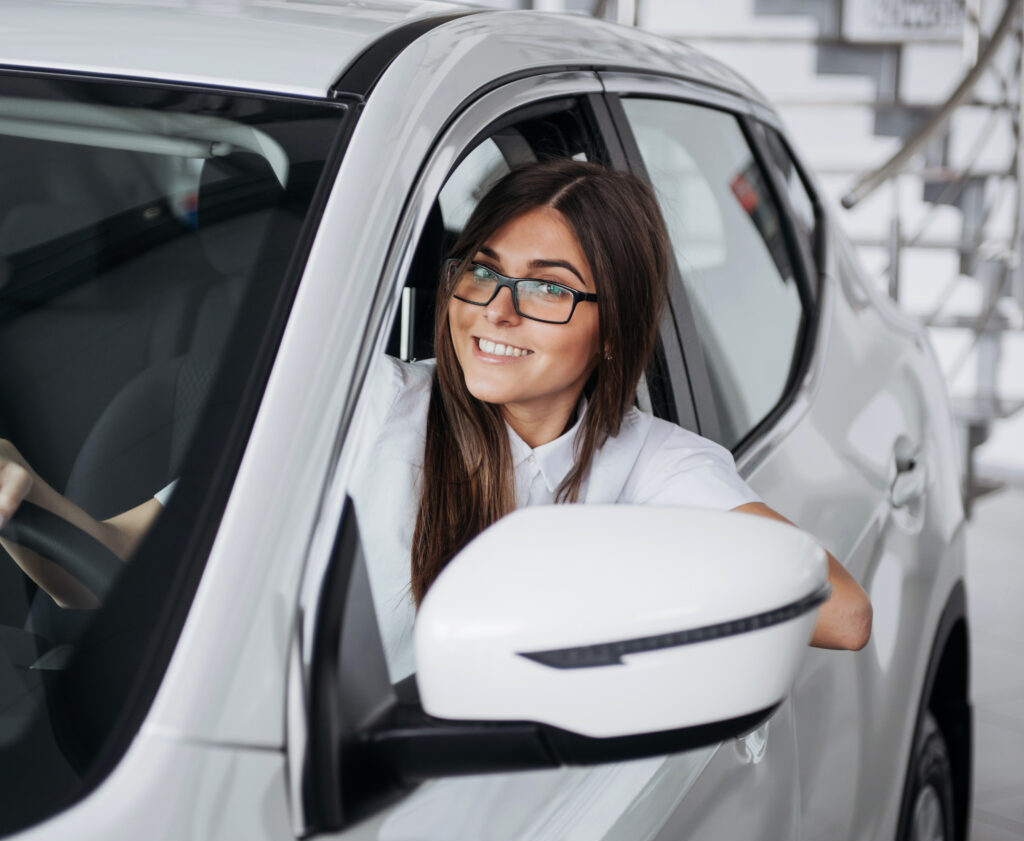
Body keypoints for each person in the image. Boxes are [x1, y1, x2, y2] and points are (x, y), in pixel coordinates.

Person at [0, 158, 871, 673]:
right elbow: (113, 566)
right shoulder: (361, 404)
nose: (495, 310)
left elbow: (841, 612)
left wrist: (602, 580)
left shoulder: (656, 468)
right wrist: (24, 499)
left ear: (616, 332)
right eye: (483, 271)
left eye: (548, 290)